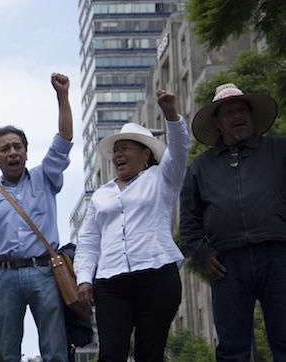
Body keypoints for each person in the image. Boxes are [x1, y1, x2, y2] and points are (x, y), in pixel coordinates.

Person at [74, 90, 190, 361]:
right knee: (111, 352)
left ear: (146, 153)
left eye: (125, 148)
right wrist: (83, 280)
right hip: (111, 282)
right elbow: (89, 242)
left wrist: (170, 113)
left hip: (157, 274)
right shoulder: (101, 194)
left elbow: (181, 146)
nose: (118, 155)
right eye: (115, 150)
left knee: (150, 352)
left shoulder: (163, 177)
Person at [180, 83, 286, 361]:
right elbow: (188, 220)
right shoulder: (200, 166)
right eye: (229, 112)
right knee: (232, 347)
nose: (237, 115)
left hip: (278, 256)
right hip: (227, 264)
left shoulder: (278, 149)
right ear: (217, 121)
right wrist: (202, 253)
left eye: (242, 109)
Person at [0, 73, 73, 362]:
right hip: (3, 278)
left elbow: (64, 140)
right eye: (5, 149)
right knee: (6, 352)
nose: (13, 152)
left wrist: (62, 96)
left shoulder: (46, 177)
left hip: (44, 272)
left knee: (55, 349)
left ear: (27, 153)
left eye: (18, 147)